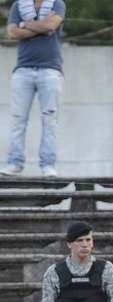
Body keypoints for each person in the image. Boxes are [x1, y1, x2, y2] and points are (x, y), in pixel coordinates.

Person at [1, 0, 66, 178]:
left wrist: (24, 24)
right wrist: (41, 27)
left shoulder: (57, 4)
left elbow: (51, 26)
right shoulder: (17, 5)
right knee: (18, 119)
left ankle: (48, 165)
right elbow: (12, 32)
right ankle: (14, 163)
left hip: (50, 69)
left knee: (50, 119)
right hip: (23, 70)